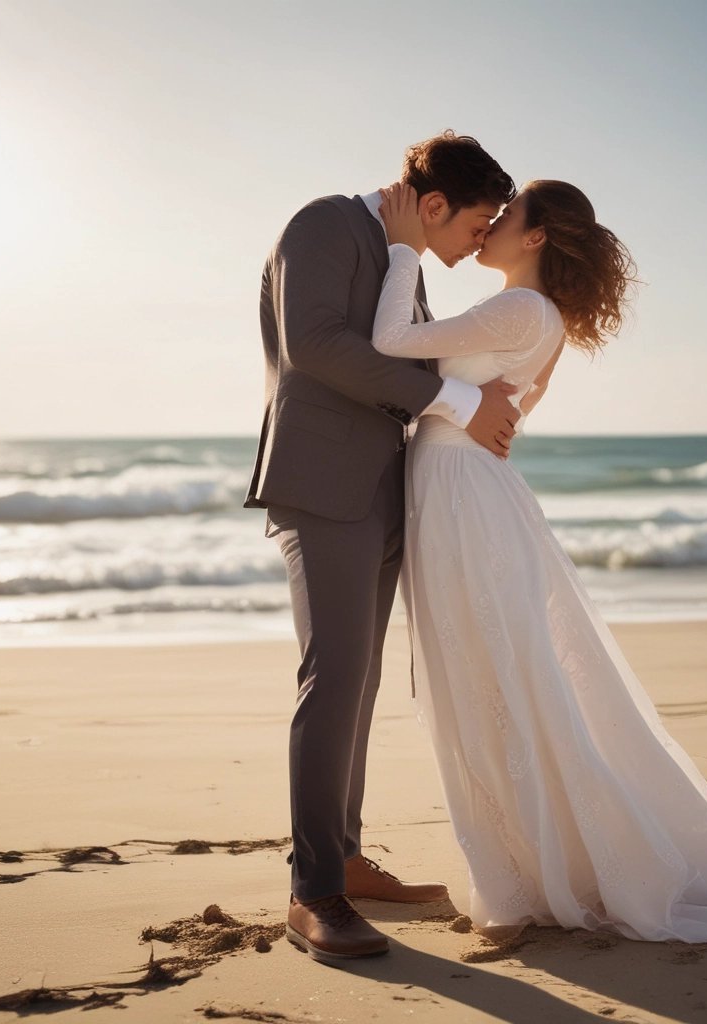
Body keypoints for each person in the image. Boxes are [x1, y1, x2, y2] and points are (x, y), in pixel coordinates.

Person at [370, 180, 707, 944]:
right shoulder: (537, 317)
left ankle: (516, 885)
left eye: (506, 217)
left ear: (538, 236)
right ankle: (519, 873)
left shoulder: (520, 308)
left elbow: (389, 344)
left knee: (486, 680)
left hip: (460, 495)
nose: (489, 228)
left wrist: (402, 248)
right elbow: (495, 403)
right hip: (464, 491)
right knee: (491, 679)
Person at [245, 132, 520, 962]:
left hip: (385, 492)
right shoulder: (324, 225)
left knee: (358, 683)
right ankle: (313, 891)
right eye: (476, 226)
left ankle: (347, 860)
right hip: (322, 485)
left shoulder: (407, 257)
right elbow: (317, 345)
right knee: (332, 678)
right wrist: (455, 399)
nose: (478, 244)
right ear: (434, 204)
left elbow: (405, 352)